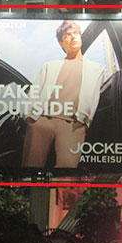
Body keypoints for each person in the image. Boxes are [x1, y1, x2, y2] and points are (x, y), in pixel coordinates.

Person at [21, 20, 106, 169]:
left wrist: (85, 123)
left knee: (67, 170)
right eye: (67, 35)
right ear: (61, 43)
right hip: (43, 120)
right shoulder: (50, 66)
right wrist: (30, 118)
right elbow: (34, 92)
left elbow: (94, 98)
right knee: (30, 168)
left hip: (73, 124)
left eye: (75, 33)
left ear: (80, 37)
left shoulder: (96, 69)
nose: (73, 37)